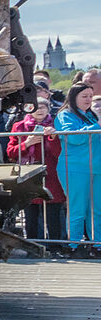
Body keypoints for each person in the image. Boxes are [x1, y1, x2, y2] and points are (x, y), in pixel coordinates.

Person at [8, 96, 66, 241]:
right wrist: (26, 144)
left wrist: (52, 138)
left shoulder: (56, 125)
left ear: (48, 109)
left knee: (53, 211)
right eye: (36, 107)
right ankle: (33, 243)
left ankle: (55, 244)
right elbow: (11, 153)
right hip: (30, 173)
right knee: (31, 212)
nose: (40, 110)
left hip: (51, 173)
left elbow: (59, 152)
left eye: (43, 107)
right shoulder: (19, 126)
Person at [56, 83, 99, 244]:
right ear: (74, 97)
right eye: (84, 96)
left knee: (96, 210)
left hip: (96, 167)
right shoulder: (65, 115)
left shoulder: (91, 115)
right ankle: (73, 245)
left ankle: (97, 244)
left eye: (90, 96)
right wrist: (97, 126)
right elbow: (73, 137)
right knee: (77, 209)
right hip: (75, 168)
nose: (88, 100)